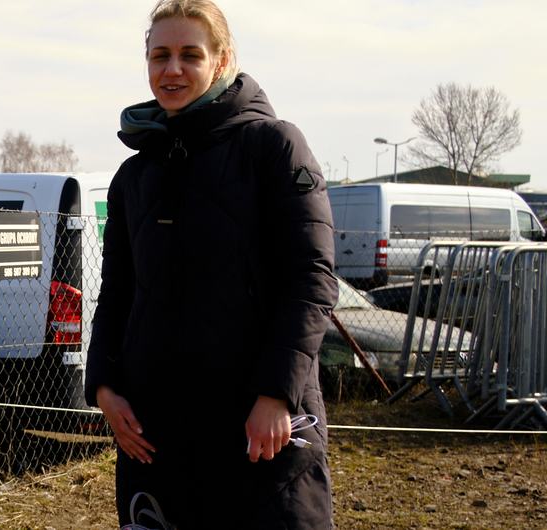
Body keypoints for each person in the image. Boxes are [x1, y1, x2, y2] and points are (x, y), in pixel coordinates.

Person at [84, 1, 339, 528]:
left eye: (188, 55)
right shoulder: (134, 175)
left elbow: (312, 278)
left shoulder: (274, 147)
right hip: (157, 435)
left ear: (221, 62)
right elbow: (119, 292)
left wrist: (276, 394)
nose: (171, 69)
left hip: (257, 427)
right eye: (160, 55)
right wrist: (105, 387)